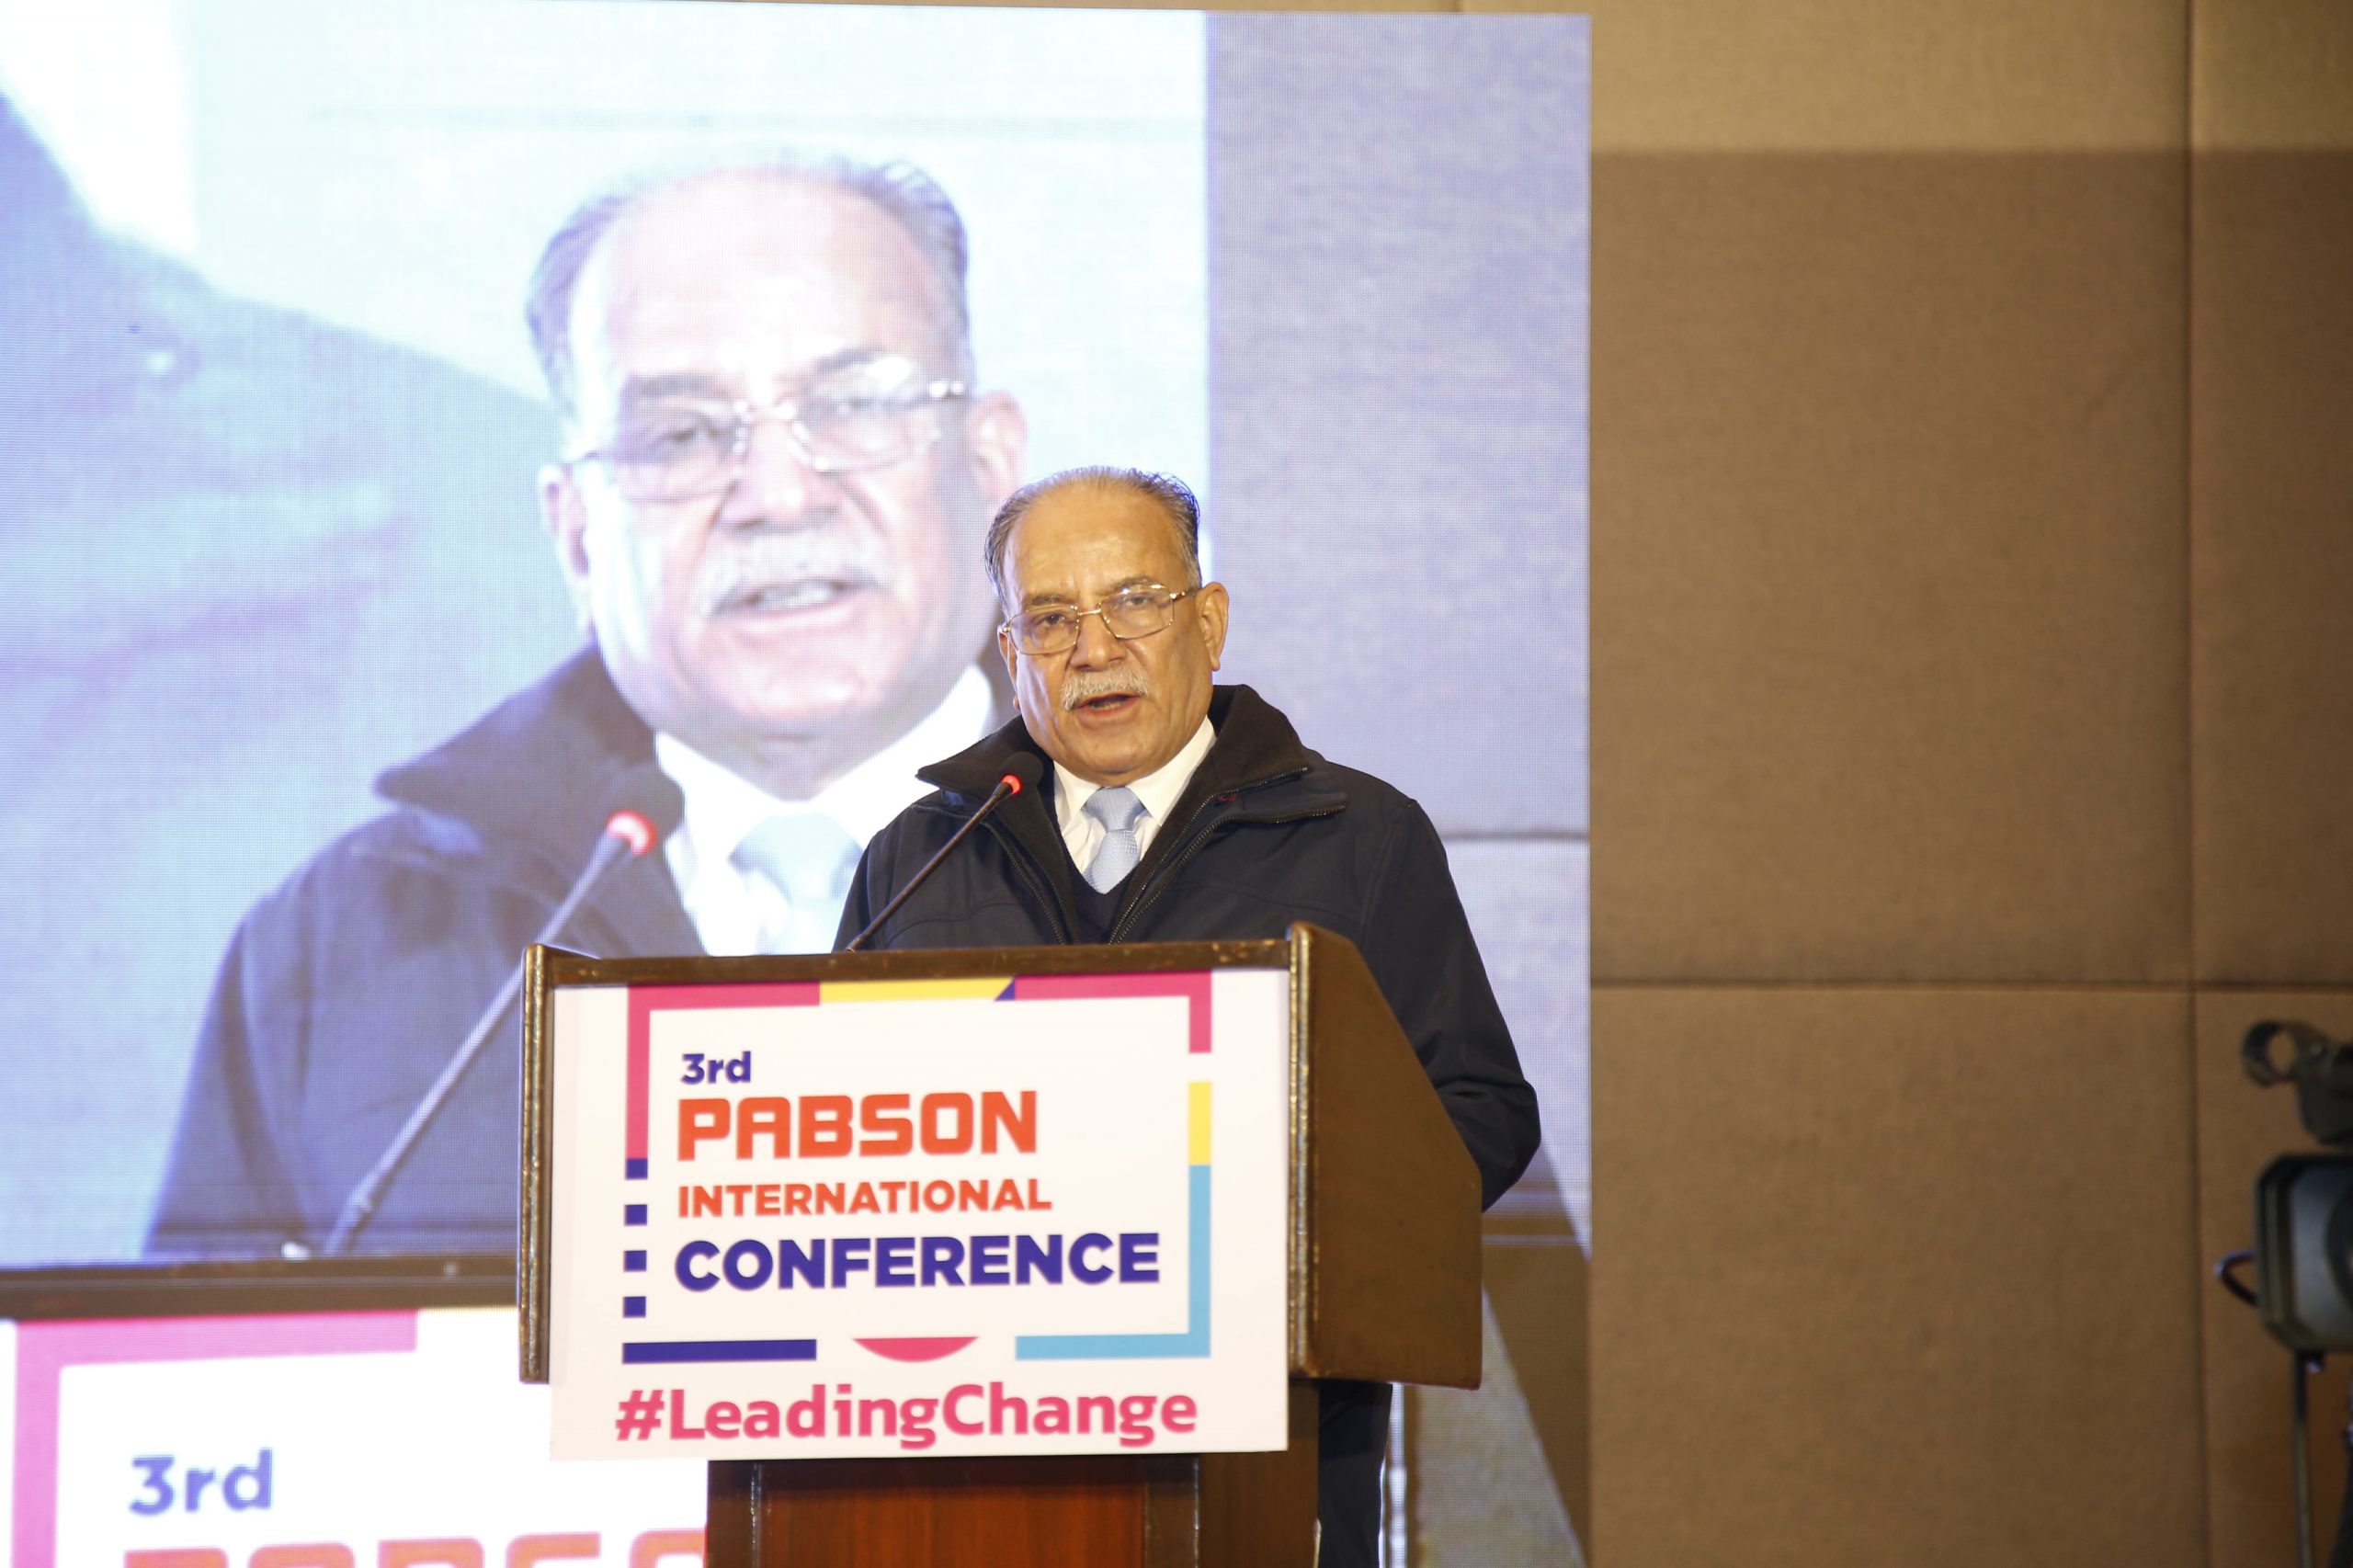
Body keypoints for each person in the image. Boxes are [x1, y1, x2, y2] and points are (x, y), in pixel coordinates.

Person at [147, 155, 1028, 1258]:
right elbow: (204, 1360)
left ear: (992, 469)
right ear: (575, 536)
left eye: (853, 406)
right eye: (680, 435)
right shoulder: (344, 947)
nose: (776, 496)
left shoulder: (1212, 865)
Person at [839, 466, 1540, 1568]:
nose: (1093, 647)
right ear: (1011, 653)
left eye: (1134, 601)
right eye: (1050, 617)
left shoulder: (1355, 838)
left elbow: (1475, 1115)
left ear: (1207, 622)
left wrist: (1280, 1227)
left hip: (1266, 1434)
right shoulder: (923, 854)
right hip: (968, 1454)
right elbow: (837, 1126)